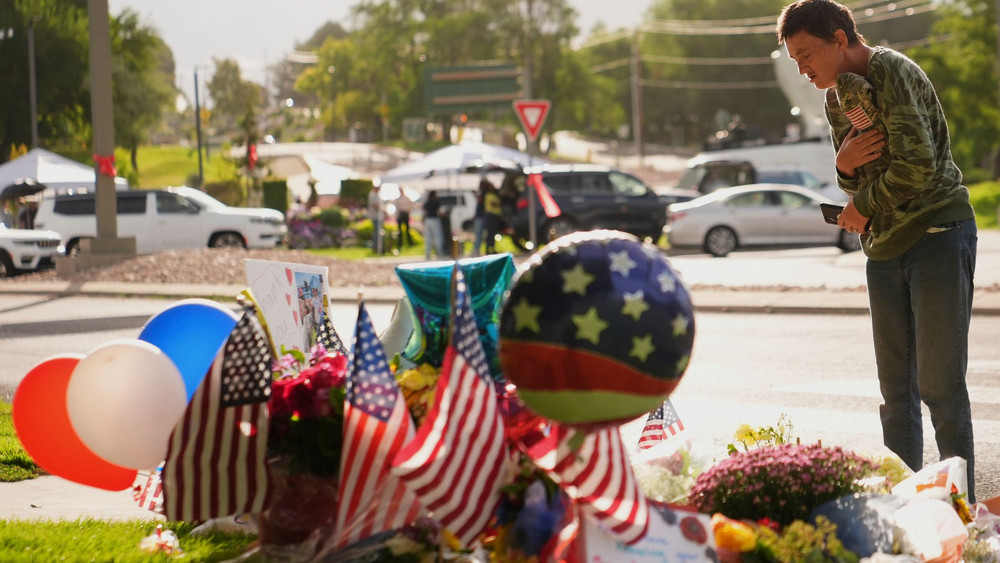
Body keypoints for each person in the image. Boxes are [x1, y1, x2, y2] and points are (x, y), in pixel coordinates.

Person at [777, 0, 978, 502]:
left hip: (936, 234)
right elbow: (860, 169)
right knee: (896, 398)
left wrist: (862, 204)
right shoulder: (834, 97)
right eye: (794, 61)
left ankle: (964, 513)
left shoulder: (892, 70)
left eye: (806, 55)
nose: (802, 70)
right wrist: (845, 171)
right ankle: (907, 511)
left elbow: (918, 166)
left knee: (940, 390)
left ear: (840, 38)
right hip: (883, 250)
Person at [422, 189, 444, 259]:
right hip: (434, 219)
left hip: (427, 220)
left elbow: (425, 213)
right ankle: (439, 252)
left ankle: (428, 254)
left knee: (428, 238)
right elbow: (439, 212)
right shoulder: (435, 202)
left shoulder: (427, 202)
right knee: (437, 237)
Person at [482, 180, 503, 254]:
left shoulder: (495, 195)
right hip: (490, 216)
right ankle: (488, 249)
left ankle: (492, 248)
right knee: (490, 233)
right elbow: (493, 204)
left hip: (495, 216)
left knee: (493, 233)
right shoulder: (488, 195)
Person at [471, 180, 488, 257]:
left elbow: (480, 200)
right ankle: (477, 250)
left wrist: (474, 194)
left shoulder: (484, 193)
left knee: (479, 235)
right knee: (478, 235)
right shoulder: (483, 193)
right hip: (479, 216)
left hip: (481, 217)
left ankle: (476, 250)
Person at [367, 185, 384, 253]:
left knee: (378, 232)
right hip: (375, 216)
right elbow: (375, 205)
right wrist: (383, 210)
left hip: (379, 216)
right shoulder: (372, 195)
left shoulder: (377, 195)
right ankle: (375, 247)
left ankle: (378, 247)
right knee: (376, 232)